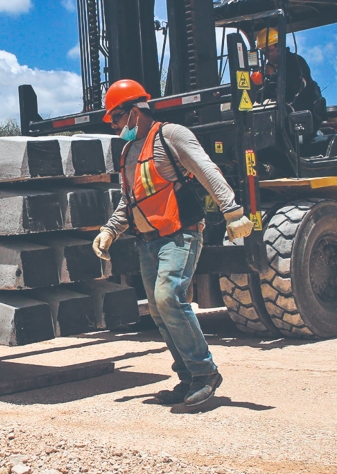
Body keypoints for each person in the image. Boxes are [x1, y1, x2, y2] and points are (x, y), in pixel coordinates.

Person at [92, 79, 254, 409]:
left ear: (134, 113)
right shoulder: (128, 151)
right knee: (158, 310)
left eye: (116, 119)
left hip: (181, 234)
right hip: (148, 242)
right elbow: (131, 199)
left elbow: (206, 169)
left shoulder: (171, 135)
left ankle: (205, 373)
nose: (115, 127)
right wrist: (111, 229)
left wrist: (233, 211)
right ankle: (188, 377)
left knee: (169, 297)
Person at [257, 27, 328, 124]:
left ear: (279, 47)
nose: (267, 55)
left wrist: (271, 76)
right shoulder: (267, 69)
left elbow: (289, 92)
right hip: (279, 117)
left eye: (269, 50)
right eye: (263, 52)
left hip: (301, 117)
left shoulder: (294, 63)